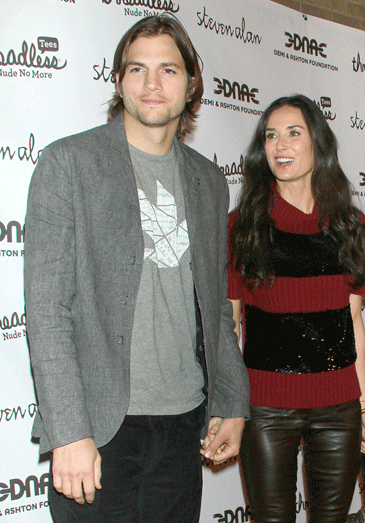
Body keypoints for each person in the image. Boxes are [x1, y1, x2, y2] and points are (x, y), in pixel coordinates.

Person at [24, 14, 249, 523]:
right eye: (137, 69)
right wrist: (69, 432)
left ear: (191, 84)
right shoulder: (68, 163)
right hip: (99, 429)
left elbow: (216, 306)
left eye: (168, 70)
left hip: (183, 424)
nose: (151, 84)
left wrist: (232, 401)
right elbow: (48, 311)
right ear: (118, 80)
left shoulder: (209, 181)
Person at [227, 94, 365, 523]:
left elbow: (353, 321)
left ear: (318, 142)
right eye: (271, 136)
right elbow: (230, 324)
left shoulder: (352, 226)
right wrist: (227, 406)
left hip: (338, 407)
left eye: (293, 133)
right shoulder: (243, 227)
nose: (280, 145)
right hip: (264, 408)